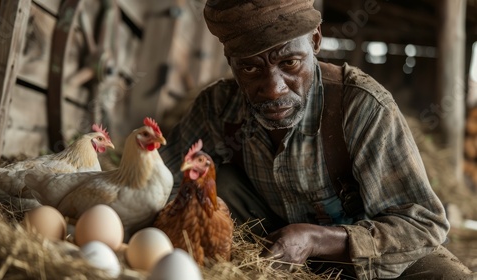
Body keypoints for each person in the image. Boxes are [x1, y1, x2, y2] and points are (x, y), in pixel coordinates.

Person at [160, 0, 475, 279]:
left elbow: (424, 224)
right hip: (270, 251)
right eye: (250, 68)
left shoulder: (361, 106)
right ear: (231, 62)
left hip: (366, 260)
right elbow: (161, 187)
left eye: (290, 63)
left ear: (315, 41)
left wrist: (315, 240)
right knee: (216, 183)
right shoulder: (218, 107)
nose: (274, 89)